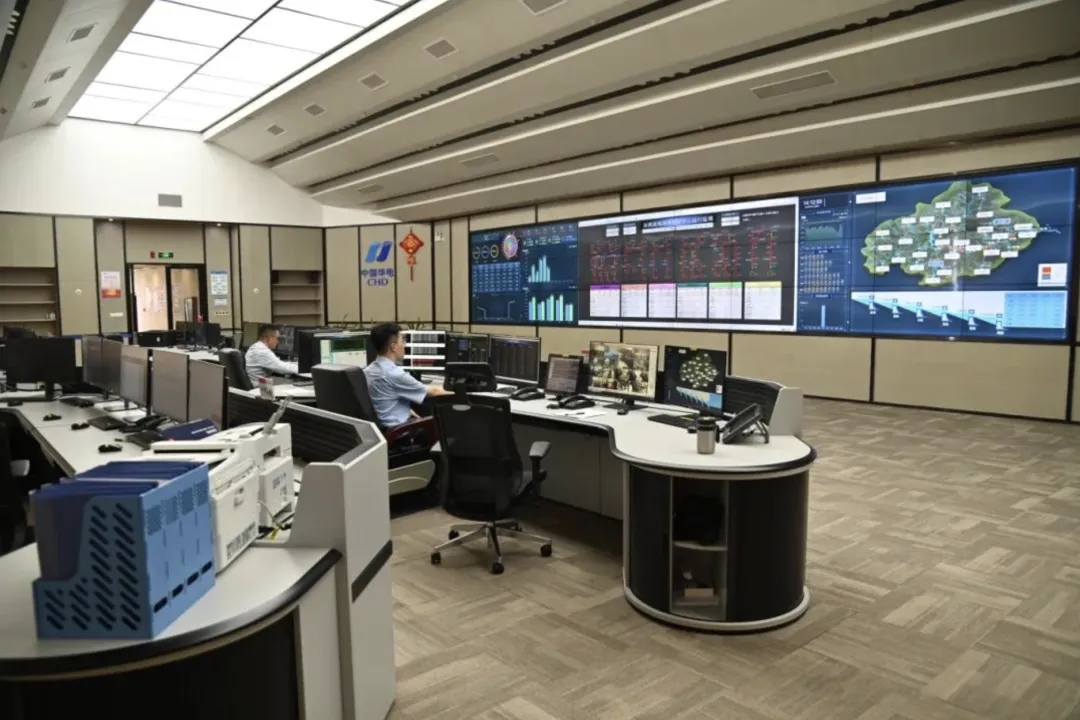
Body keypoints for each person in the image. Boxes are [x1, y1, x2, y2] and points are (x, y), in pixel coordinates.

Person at [364, 323, 450, 428]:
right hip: (399, 431)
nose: (404, 345)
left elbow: (382, 399)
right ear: (393, 346)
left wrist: (405, 409)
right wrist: (461, 391)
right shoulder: (394, 374)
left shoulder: (368, 370)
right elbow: (434, 392)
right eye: (402, 341)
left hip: (382, 428)